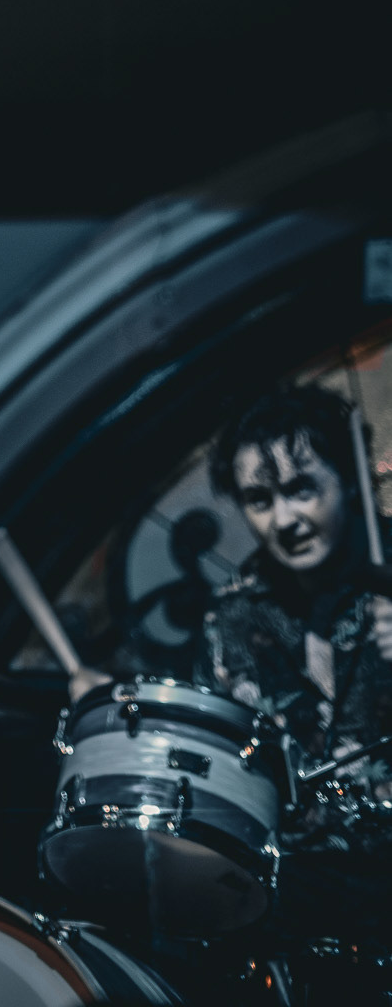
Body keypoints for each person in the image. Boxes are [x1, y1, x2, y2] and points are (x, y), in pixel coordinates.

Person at [205, 384, 392, 963]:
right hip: (310, 917)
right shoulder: (233, 617)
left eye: (302, 489)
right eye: (259, 499)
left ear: (350, 480)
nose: (283, 519)